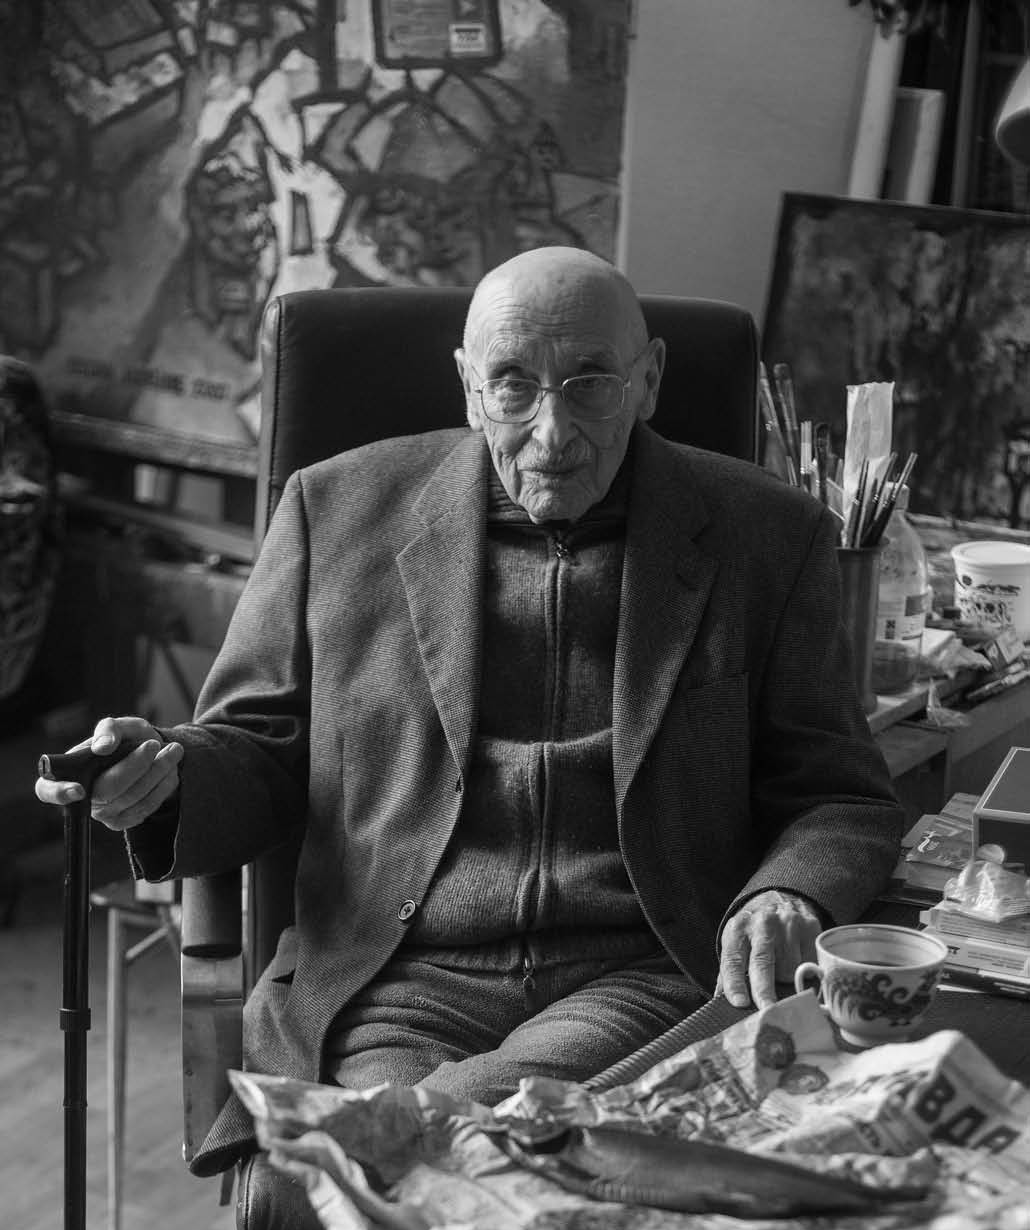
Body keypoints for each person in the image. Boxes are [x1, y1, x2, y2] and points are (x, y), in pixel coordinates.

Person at [36, 247, 903, 1178]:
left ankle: (396, 1141)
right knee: (485, 1156)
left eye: (590, 383)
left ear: (648, 380)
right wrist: (164, 780)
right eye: (514, 386)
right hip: (395, 978)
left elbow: (839, 793)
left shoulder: (767, 535)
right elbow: (257, 746)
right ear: (467, 387)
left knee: (407, 1162)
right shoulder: (335, 510)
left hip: (631, 972)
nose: (552, 432)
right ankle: (421, 1141)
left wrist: (789, 891)